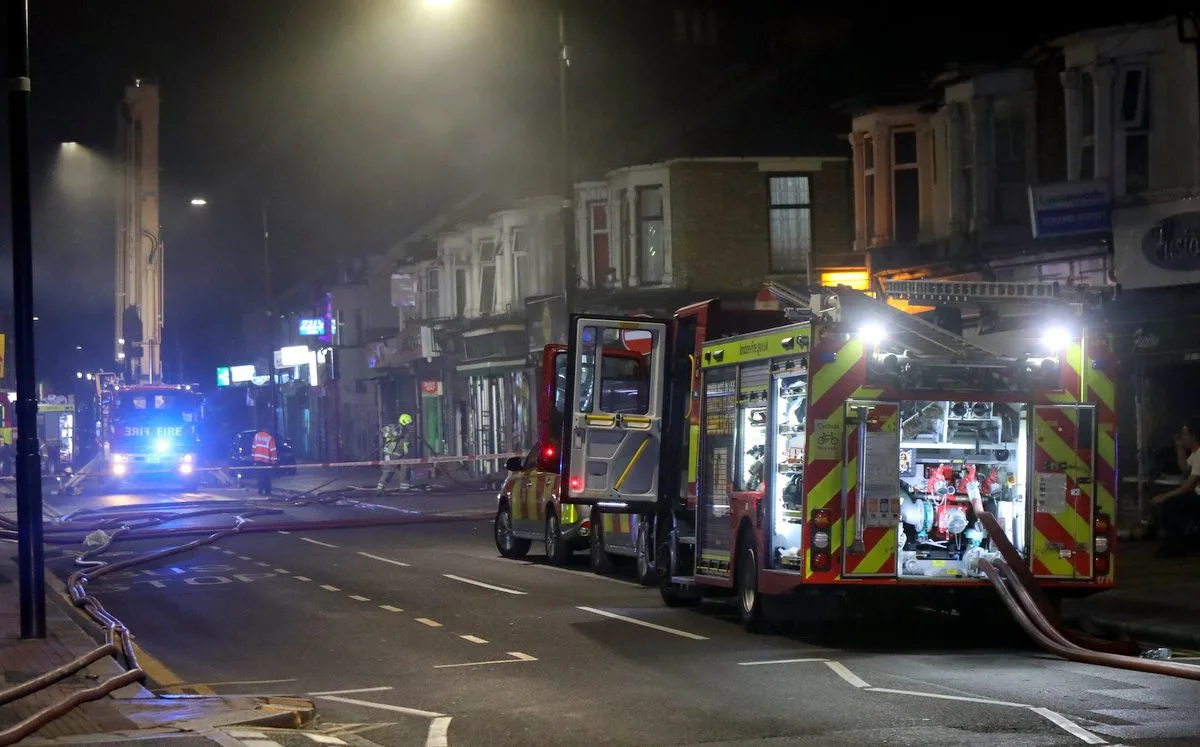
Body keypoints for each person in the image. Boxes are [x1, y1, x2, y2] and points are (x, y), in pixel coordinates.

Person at [1151, 419, 1200, 559]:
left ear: (1193, 437)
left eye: (1185, 434)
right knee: (1173, 503)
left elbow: (1188, 486)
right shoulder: (1196, 454)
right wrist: (1179, 447)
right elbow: (1185, 469)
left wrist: (1165, 496)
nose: (1182, 437)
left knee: (1170, 505)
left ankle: (1175, 546)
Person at [251, 429, 278, 496]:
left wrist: (253, 458)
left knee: (260, 476)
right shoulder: (269, 438)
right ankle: (267, 491)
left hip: (258, 460)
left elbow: (253, 447)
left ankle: (260, 490)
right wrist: (274, 461)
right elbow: (273, 450)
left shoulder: (257, 436)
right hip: (266, 461)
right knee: (267, 477)